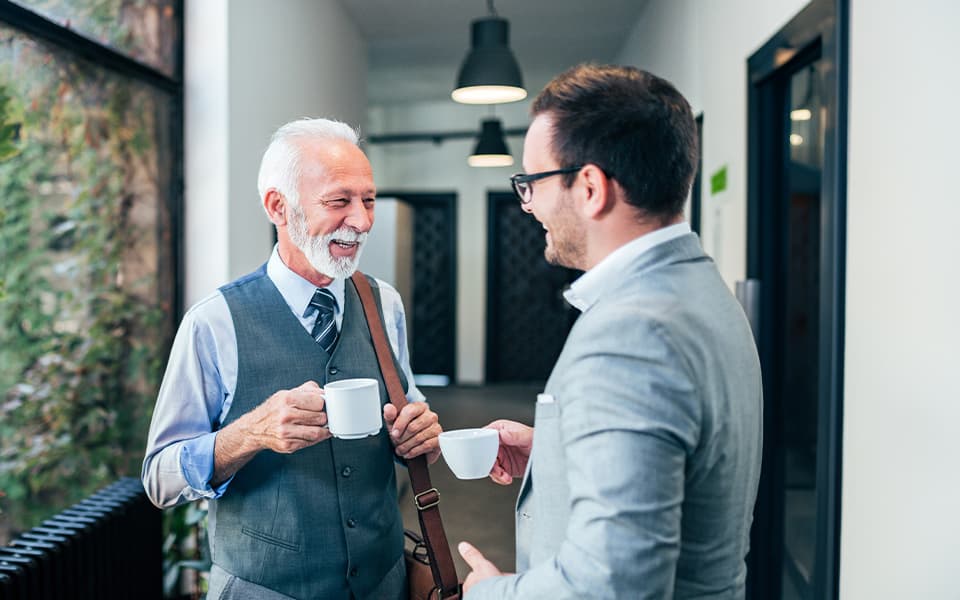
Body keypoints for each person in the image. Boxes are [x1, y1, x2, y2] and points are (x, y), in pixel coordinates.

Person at [457, 64, 763, 599]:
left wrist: (490, 593)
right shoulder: (702, 288)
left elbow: (611, 584)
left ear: (591, 187)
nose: (528, 205)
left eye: (531, 183)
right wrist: (557, 453)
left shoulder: (630, 336)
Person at [142, 118, 442, 600]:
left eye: (368, 200)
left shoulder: (384, 302)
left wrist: (420, 434)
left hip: (385, 582)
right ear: (278, 206)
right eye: (339, 201)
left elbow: (410, 413)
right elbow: (160, 478)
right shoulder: (214, 322)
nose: (362, 221)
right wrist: (250, 433)